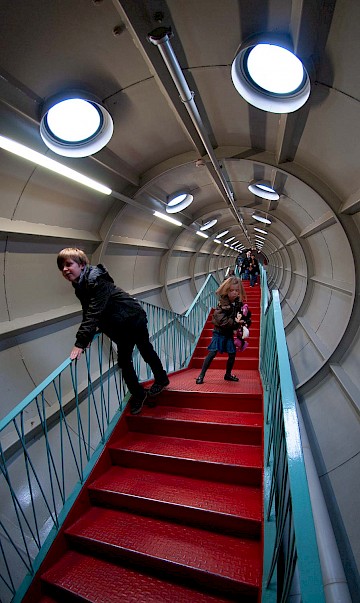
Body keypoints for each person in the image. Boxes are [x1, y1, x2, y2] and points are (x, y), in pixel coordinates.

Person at [57, 248, 169, 415]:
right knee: (124, 362)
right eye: (61, 267)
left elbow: (94, 310)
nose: (65, 269)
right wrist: (89, 334)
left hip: (133, 319)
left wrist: (80, 341)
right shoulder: (80, 285)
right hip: (118, 326)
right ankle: (139, 394)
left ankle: (161, 380)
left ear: (81, 265)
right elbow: (87, 310)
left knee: (145, 350)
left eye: (68, 264)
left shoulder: (97, 280)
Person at [195, 276, 247, 384]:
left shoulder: (238, 303)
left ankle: (228, 374)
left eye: (237, 291)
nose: (234, 293)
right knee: (212, 352)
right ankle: (201, 375)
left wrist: (242, 322)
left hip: (228, 333)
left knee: (232, 354)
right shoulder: (223, 303)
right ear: (227, 290)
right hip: (218, 332)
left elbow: (240, 315)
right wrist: (236, 324)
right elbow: (222, 320)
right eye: (231, 290)